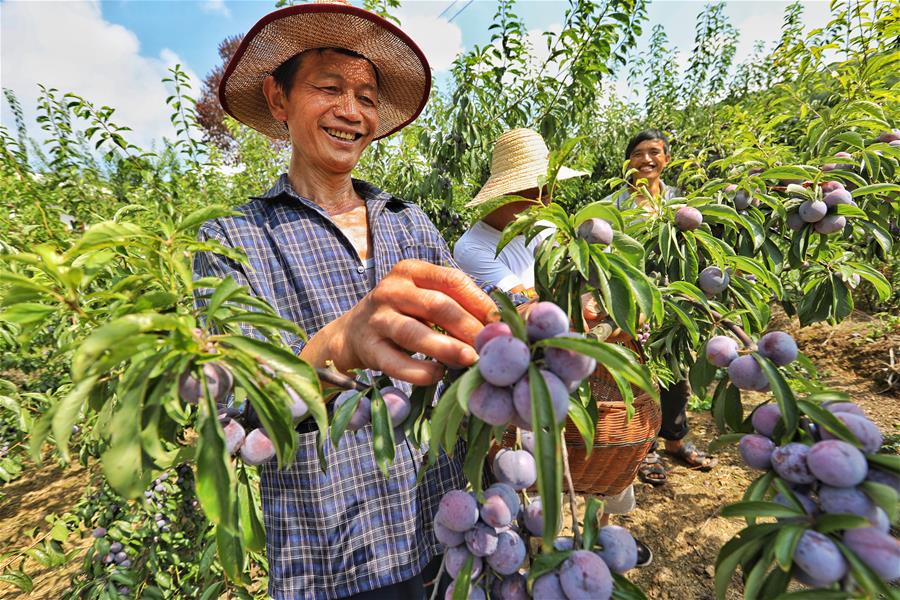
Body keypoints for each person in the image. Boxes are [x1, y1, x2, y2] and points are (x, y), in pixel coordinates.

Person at [194, 3, 498, 598]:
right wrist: (337, 344)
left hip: (443, 528)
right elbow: (241, 410)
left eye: (365, 96)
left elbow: (469, 335)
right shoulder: (233, 236)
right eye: (328, 88)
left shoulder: (410, 224)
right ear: (278, 101)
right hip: (329, 554)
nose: (350, 111)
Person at [455, 128, 652, 567]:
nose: (548, 194)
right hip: (522, 377)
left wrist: (608, 305)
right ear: (512, 190)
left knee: (601, 450)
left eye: (548, 184)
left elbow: (582, 293)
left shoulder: (543, 228)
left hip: (570, 361)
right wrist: (605, 318)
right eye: (537, 186)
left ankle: (601, 538)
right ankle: (536, 553)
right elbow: (534, 311)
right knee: (530, 473)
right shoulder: (472, 248)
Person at [607, 129, 718, 486]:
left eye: (654, 152)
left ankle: (675, 438)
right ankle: (646, 446)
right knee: (638, 377)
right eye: (638, 154)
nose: (646, 160)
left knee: (676, 376)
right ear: (628, 162)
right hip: (632, 305)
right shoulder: (615, 206)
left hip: (675, 305)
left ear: (667, 159)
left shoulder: (679, 204)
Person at [453, 128, 587, 296]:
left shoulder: (544, 225)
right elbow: (523, 304)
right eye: (542, 196)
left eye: (548, 195)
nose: (548, 205)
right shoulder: (471, 249)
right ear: (507, 194)